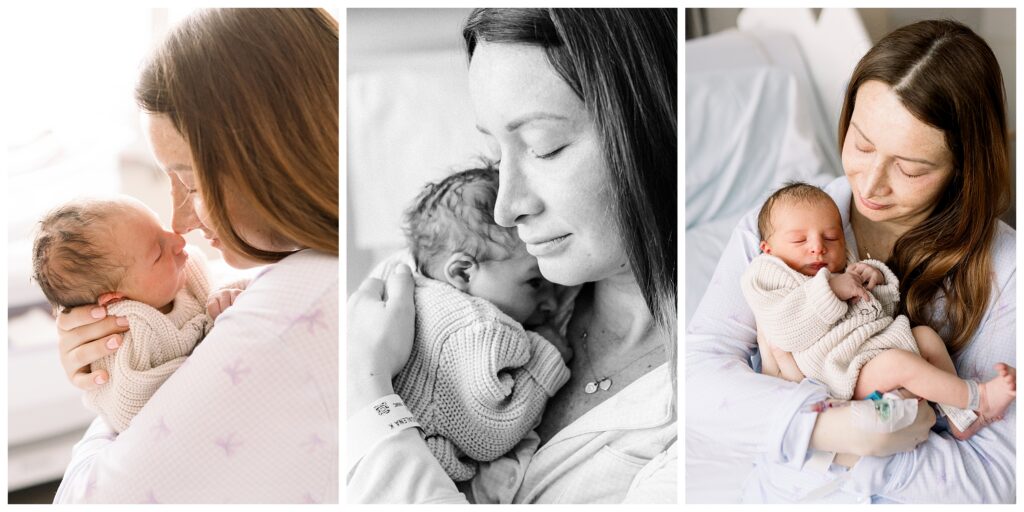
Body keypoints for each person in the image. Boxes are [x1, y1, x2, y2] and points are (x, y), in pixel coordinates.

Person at [347, 8, 677, 504]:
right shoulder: (442, 280)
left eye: (543, 148)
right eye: (498, 156)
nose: (505, 207)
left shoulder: (690, 417)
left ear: (653, 130)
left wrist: (365, 390)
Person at [687, 20, 1015, 503]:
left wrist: (869, 451)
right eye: (861, 144)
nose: (870, 183)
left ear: (964, 169)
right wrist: (828, 430)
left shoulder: (1006, 274)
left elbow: (1000, 478)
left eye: (910, 167)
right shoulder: (783, 229)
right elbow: (698, 380)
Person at [51, 9, 339, 503]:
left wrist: (112, 400)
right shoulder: (312, 277)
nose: (181, 222)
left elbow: (86, 500)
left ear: (271, 158)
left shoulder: (278, 322)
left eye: (191, 182)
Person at [742, 183, 1016, 436]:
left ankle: (962, 419)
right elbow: (784, 331)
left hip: (875, 348)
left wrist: (877, 280)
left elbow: (882, 313)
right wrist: (831, 290)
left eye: (830, 237)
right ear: (768, 249)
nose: (818, 248)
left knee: (925, 337)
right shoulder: (768, 276)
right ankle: (980, 398)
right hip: (838, 372)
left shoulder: (843, 269)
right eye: (799, 240)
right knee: (898, 364)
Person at [395, 164, 571, 481]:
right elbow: (488, 434)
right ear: (463, 273)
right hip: (415, 473)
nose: (551, 302)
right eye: (535, 282)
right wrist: (547, 356)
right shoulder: (481, 326)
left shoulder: (419, 291)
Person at [32, 195, 239, 433]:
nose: (178, 239)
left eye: (161, 228)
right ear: (117, 299)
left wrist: (226, 295)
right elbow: (129, 414)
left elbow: (230, 291)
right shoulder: (126, 332)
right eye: (158, 252)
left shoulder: (184, 274)